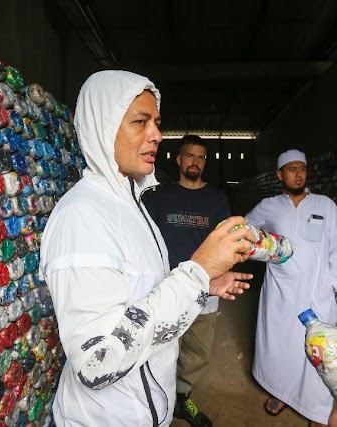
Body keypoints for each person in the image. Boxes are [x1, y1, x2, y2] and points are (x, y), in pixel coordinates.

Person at [40, 70, 255, 426]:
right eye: (140, 122)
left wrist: (202, 285)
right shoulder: (82, 217)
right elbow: (97, 363)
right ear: (102, 127)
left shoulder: (132, 203)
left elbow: (141, 289)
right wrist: (197, 271)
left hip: (146, 410)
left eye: (156, 122)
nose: (156, 135)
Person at [147, 135, 248, 427]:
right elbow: (148, 240)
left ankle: (181, 397)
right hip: (166, 288)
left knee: (198, 352)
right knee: (160, 346)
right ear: (179, 160)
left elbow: (227, 243)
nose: (195, 162)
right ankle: (156, 399)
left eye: (201, 157)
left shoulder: (216, 199)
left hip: (206, 288)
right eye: (189, 156)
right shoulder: (161, 197)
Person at [244, 149, 337, 426]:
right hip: (280, 291)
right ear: (280, 174)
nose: (298, 174)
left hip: (318, 292)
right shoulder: (269, 206)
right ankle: (281, 393)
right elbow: (245, 230)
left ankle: (318, 408)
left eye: (302, 169)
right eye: (291, 169)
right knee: (281, 345)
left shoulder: (324, 205)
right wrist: (262, 250)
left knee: (318, 349)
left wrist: (331, 284)